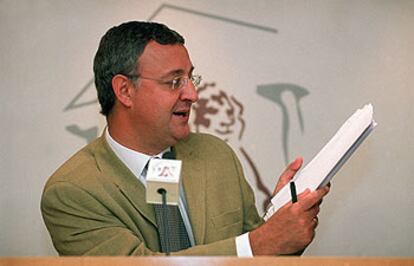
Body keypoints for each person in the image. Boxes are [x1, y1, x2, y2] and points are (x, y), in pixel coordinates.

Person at [41, 21, 329, 256]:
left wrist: (284, 217)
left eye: (191, 79)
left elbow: (261, 251)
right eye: (174, 82)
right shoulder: (72, 191)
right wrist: (259, 243)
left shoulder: (216, 155)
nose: (192, 94)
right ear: (125, 91)